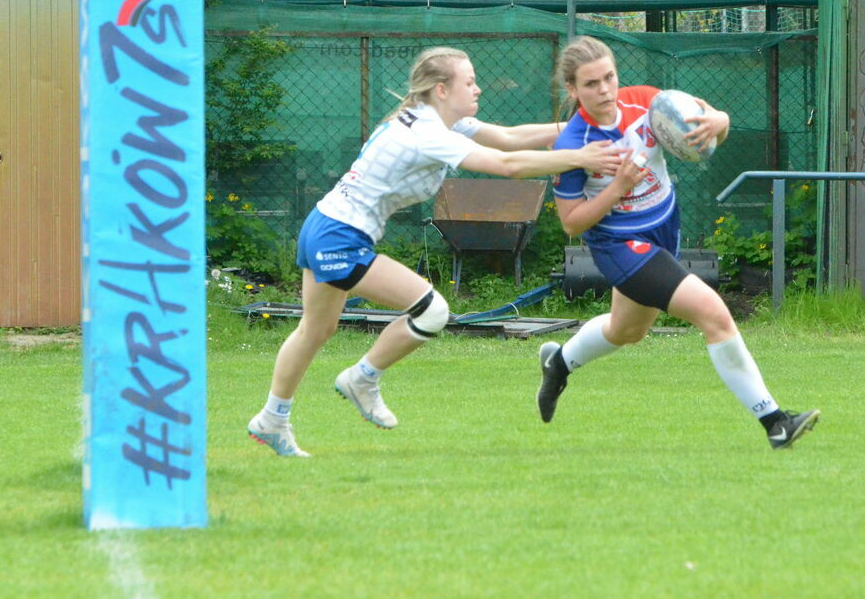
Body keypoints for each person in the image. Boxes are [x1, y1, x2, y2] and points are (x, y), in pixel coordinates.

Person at [248, 46, 623, 457]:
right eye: (470, 82)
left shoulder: (442, 120)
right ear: (442, 90)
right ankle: (362, 378)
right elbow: (506, 164)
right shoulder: (427, 132)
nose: (478, 88)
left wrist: (577, 124)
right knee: (431, 311)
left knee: (316, 330)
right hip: (337, 236)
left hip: (324, 226)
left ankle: (272, 419)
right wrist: (579, 155)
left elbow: (508, 137)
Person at [537, 35, 819, 449]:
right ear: (573, 90)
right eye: (591, 84)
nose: (604, 90)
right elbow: (571, 224)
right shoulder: (573, 145)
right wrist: (617, 187)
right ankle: (776, 422)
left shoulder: (649, 102)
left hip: (665, 225)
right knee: (714, 314)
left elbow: (705, 129)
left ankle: (558, 363)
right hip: (621, 246)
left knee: (626, 331)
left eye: (609, 78)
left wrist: (720, 121)